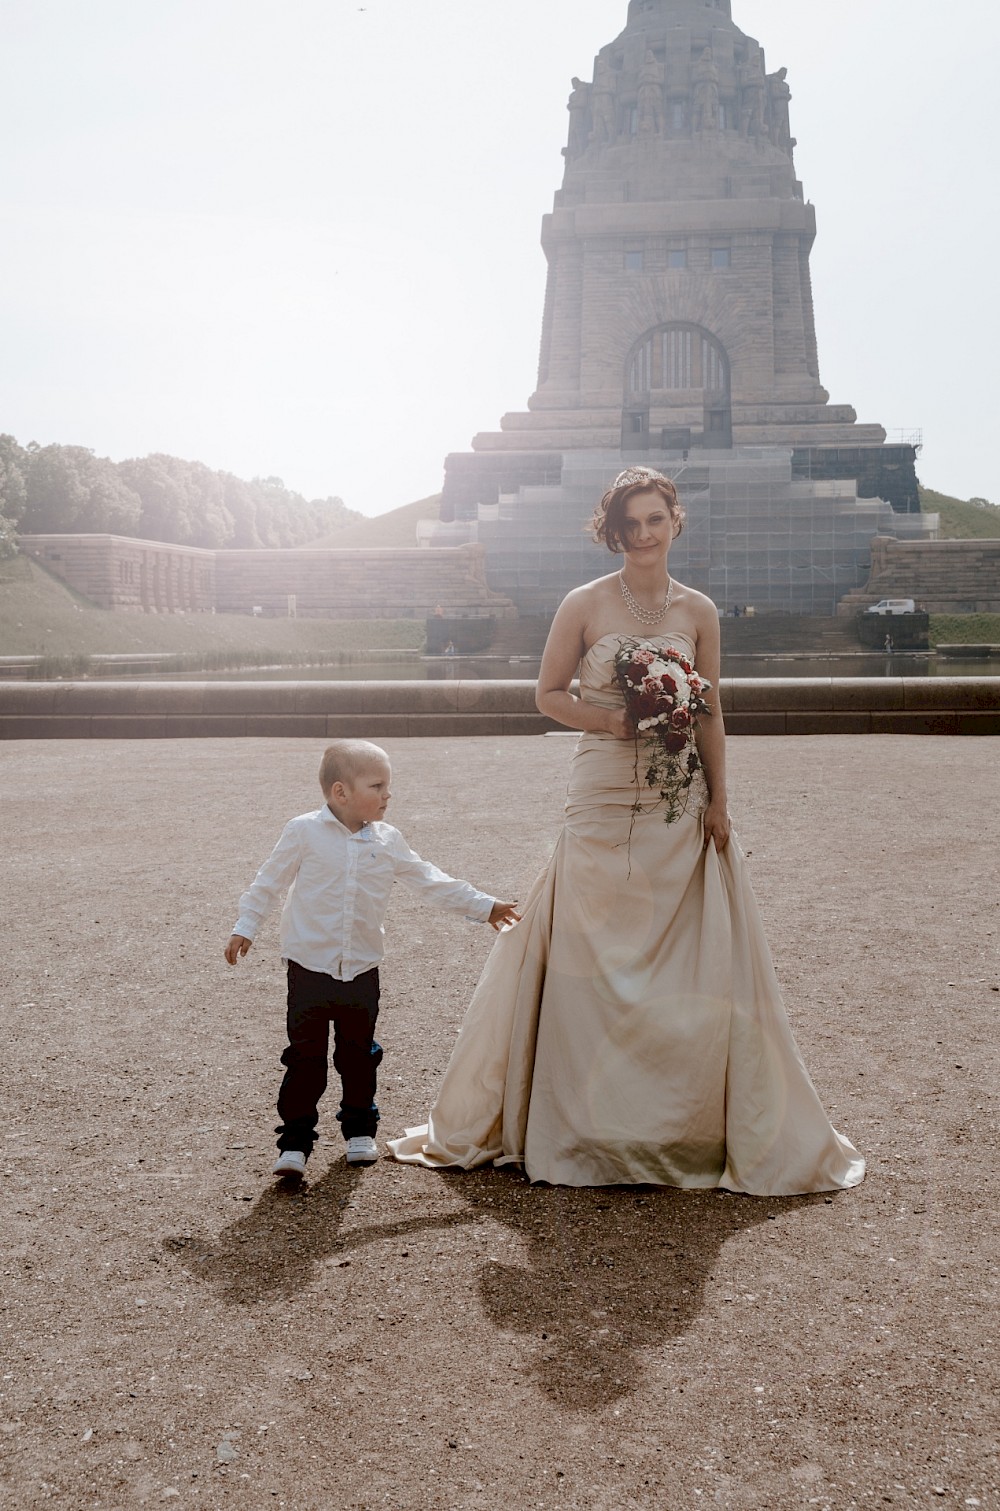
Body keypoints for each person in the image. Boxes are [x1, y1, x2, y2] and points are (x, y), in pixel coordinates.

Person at [391, 468, 865, 1195]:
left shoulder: (700, 611)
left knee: (677, 948)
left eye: (654, 519)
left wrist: (721, 801)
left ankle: (676, 1121)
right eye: (630, 524)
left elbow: (710, 711)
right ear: (614, 531)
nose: (643, 535)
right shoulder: (583, 603)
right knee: (589, 939)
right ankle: (580, 1122)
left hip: (680, 795)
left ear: (676, 520)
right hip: (602, 788)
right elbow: (547, 694)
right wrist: (612, 719)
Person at [225, 740, 519, 1180]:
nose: (388, 795)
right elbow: (268, 881)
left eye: (388, 786)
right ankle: (294, 1144)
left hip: (361, 968)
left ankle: (359, 1131)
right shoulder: (303, 831)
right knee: (304, 1058)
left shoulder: (388, 839)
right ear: (341, 792)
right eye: (377, 785)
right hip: (308, 967)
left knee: (359, 1054)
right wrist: (245, 926)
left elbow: (429, 880)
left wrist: (484, 905)